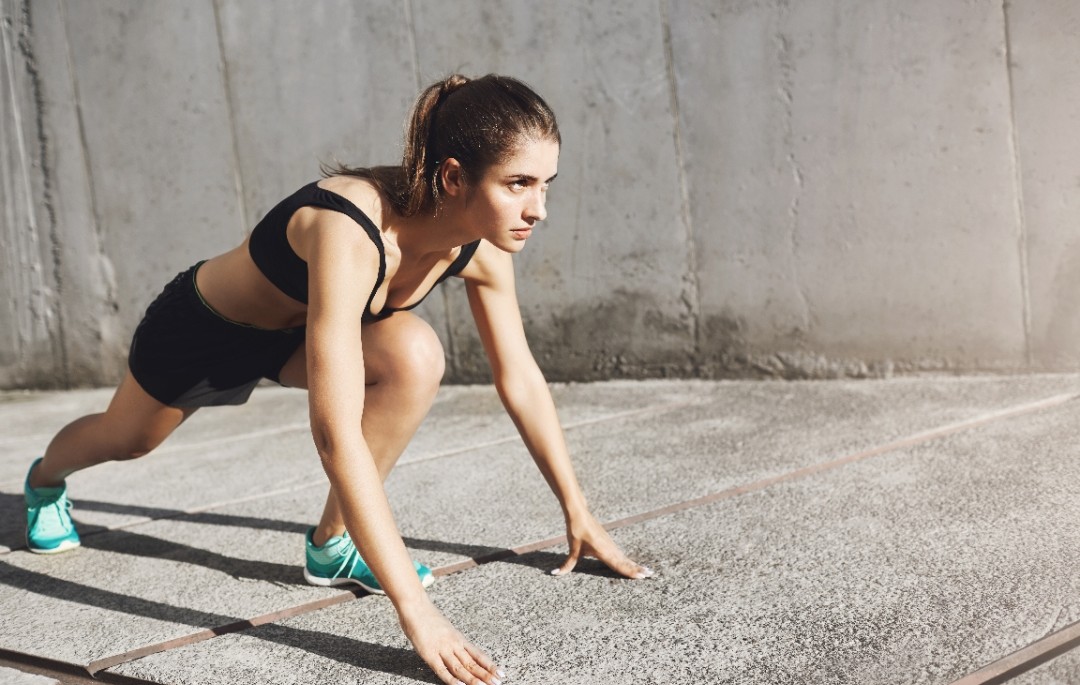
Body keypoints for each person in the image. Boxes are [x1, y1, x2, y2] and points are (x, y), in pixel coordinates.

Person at [21, 74, 651, 685]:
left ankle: (331, 546)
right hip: (205, 328)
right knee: (128, 438)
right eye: (519, 184)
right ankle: (45, 480)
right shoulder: (350, 226)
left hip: (300, 336)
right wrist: (418, 614)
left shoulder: (481, 246)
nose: (538, 209)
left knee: (414, 356)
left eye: (546, 185)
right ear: (455, 177)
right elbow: (335, 434)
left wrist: (579, 511)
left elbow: (521, 377)